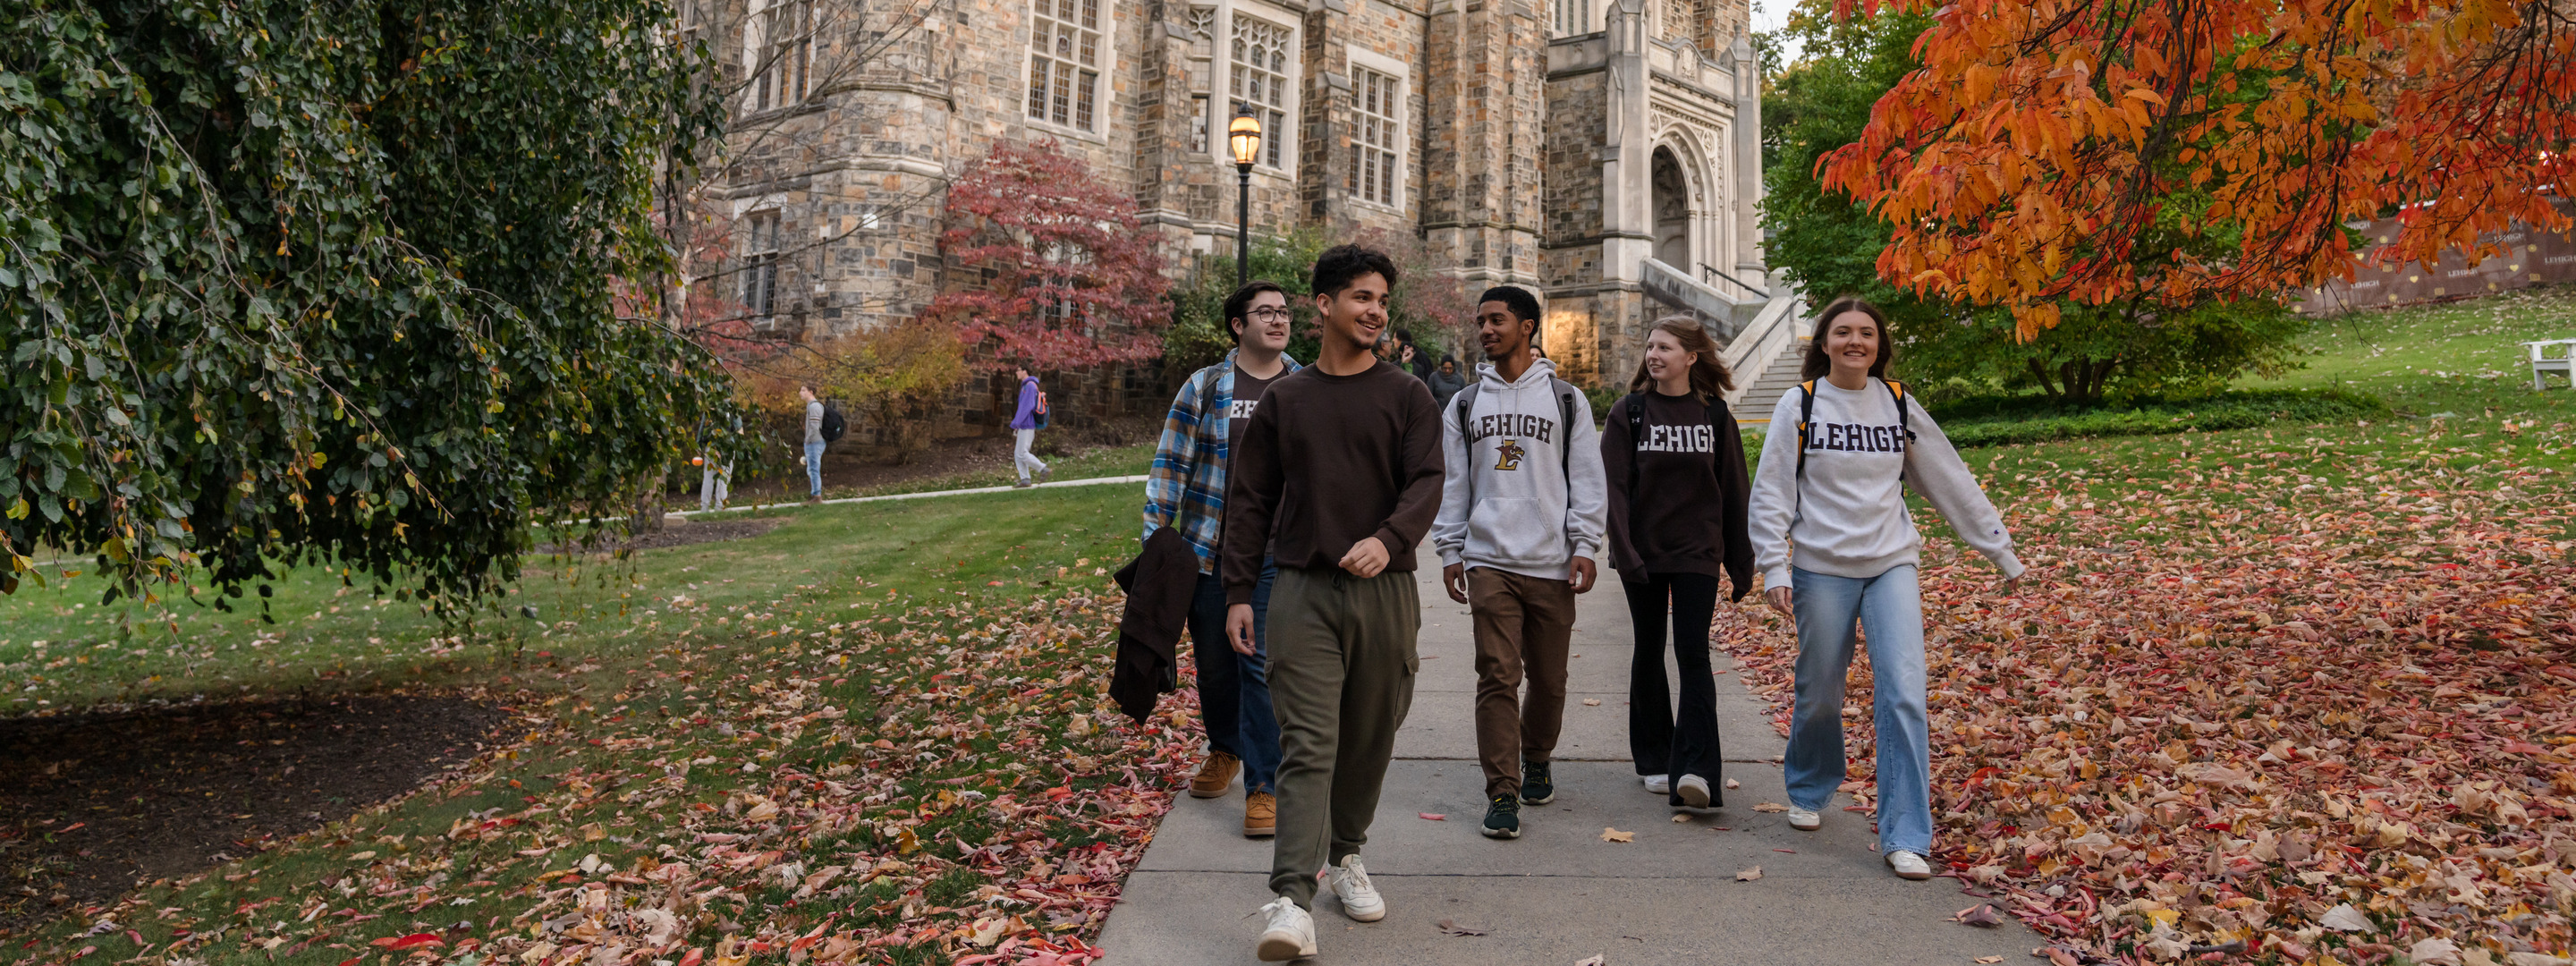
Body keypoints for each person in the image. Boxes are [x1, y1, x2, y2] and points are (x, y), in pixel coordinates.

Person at [1747, 296, 2023, 881]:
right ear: (1823, 343)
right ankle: (1811, 783)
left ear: (1880, 345)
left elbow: (1949, 477)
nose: (1855, 342)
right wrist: (1774, 565)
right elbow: (1772, 490)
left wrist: (1999, 548)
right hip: (1822, 567)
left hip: (1891, 563)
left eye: (1866, 334)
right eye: (1842, 332)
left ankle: (1906, 834)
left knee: (1904, 692)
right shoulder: (1800, 405)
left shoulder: (1897, 405)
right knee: (1820, 688)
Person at [1231, 245, 1443, 961]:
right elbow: (1251, 501)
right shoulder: (1285, 401)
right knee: (1308, 745)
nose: (1376, 310)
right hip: (1302, 591)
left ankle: (1347, 855)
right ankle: (1291, 899)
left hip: (1384, 593)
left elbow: (1426, 483)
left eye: (1381, 298)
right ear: (1323, 305)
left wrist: (1390, 538)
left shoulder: (1408, 395)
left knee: (1369, 737)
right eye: (1360, 297)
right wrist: (1238, 593)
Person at [1430, 286, 1606, 840]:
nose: (1485, 329)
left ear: (1527, 326)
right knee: (1497, 675)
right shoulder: (1463, 403)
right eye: (1481, 320)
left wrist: (1584, 544)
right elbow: (1452, 483)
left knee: (1549, 681)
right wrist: (1450, 548)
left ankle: (1538, 756)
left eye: (1497, 319)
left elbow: (1586, 479)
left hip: (1551, 561)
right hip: (1489, 560)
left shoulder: (1566, 400)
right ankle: (1502, 791)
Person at [1144, 281, 1301, 839]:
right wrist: (1157, 541)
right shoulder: (1207, 386)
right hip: (1209, 549)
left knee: (1256, 663)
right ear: (1239, 325)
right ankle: (1225, 749)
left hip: (1277, 553)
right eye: (1266, 313)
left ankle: (1264, 785)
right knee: (1213, 662)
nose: (1279, 321)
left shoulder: (1302, 384)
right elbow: (1172, 463)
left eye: (1284, 312)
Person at [1600, 317, 1754, 810]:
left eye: (1665, 347)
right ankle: (1653, 757)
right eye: (1650, 346)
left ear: (1692, 357)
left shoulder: (1714, 416)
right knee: (1648, 648)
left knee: (1693, 653)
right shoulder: (1631, 413)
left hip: (1697, 553)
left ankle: (1696, 770)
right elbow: (1614, 490)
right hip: (1644, 552)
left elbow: (1733, 491)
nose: (1653, 355)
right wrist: (1624, 551)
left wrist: (1741, 561)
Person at [1009, 366, 1050, 488]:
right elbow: (1023, 407)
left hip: (1027, 424)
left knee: (1022, 453)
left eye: (1018, 370)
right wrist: (1017, 424)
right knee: (1018, 453)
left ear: (1025, 371)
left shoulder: (1030, 386)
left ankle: (1043, 469)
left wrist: (1016, 423)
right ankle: (1025, 479)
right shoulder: (1026, 386)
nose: (1016, 372)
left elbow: (1027, 407)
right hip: (1023, 424)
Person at [799, 385, 825, 503]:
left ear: (811, 392)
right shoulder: (811, 406)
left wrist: (808, 440)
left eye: (803, 390)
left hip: (815, 442)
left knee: (814, 469)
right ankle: (815, 495)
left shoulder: (814, 406)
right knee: (812, 469)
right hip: (814, 442)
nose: (800, 393)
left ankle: (817, 497)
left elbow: (814, 427)